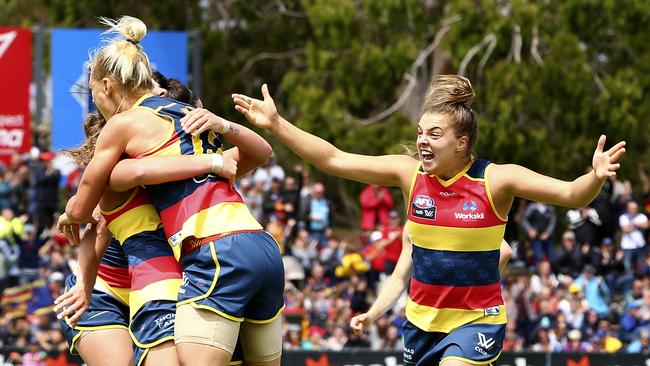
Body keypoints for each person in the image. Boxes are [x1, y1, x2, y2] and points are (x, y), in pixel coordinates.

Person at [232, 75, 625, 366]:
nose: (422, 141)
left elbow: (571, 194)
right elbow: (333, 159)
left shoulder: (497, 180)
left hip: (476, 324)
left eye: (434, 134)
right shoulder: (409, 175)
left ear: (462, 143)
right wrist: (276, 124)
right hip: (419, 326)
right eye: (420, 132)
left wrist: (593, 177)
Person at [58, 16, 283, 366]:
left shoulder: (171, 153)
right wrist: (84, 281)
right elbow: (92, 216)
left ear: (107, 86)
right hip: (113, 289)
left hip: (172, 278)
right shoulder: (132, 158)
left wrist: (222, 130)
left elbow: (257, 154)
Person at [55, 109, 237, 365]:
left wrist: (225, 129)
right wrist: (85, 286)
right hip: (104, 292)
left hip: (160, 289)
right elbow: (97, 229)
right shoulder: (121, 177)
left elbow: (251, 155)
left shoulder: (185, 168)